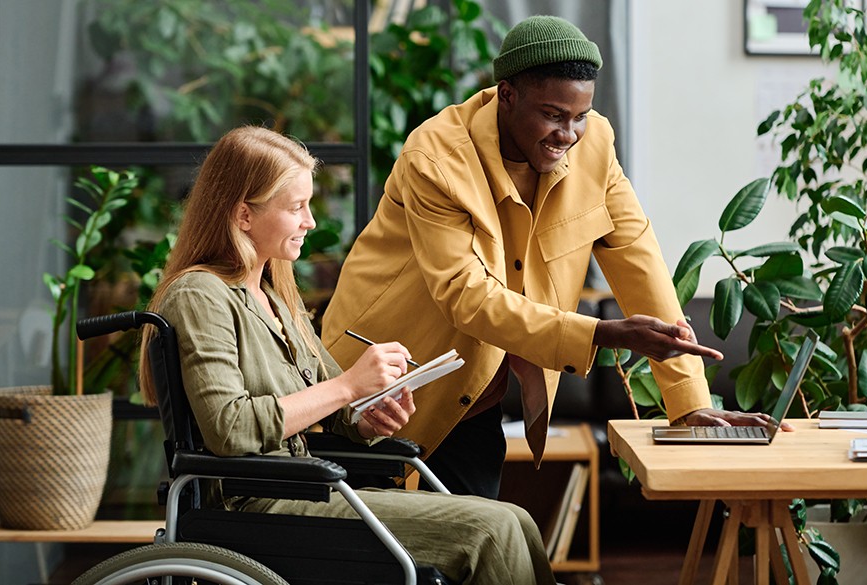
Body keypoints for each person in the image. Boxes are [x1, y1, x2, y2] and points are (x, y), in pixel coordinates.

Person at [322, 15, 789, 499]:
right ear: (507, 95)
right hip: (373, 389)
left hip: (470, 397)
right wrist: (602, 333)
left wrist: (688, 402)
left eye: (579, 116)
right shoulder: (436, 158)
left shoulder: (596, 146)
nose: (567, 134)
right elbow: (466, 296)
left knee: (477, 552)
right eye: (552, 114)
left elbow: (638, 260)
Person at [138, 126, 557, 585]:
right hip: (258, 504)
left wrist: (366, 416)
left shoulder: (277, 298)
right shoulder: (200, 295)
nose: (310, 221)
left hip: (306, 489)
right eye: (297, 207)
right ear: (243, 215)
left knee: (516, 520)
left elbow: (339, 408)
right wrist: (348, 387)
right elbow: (230, 429)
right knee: (493, 532)